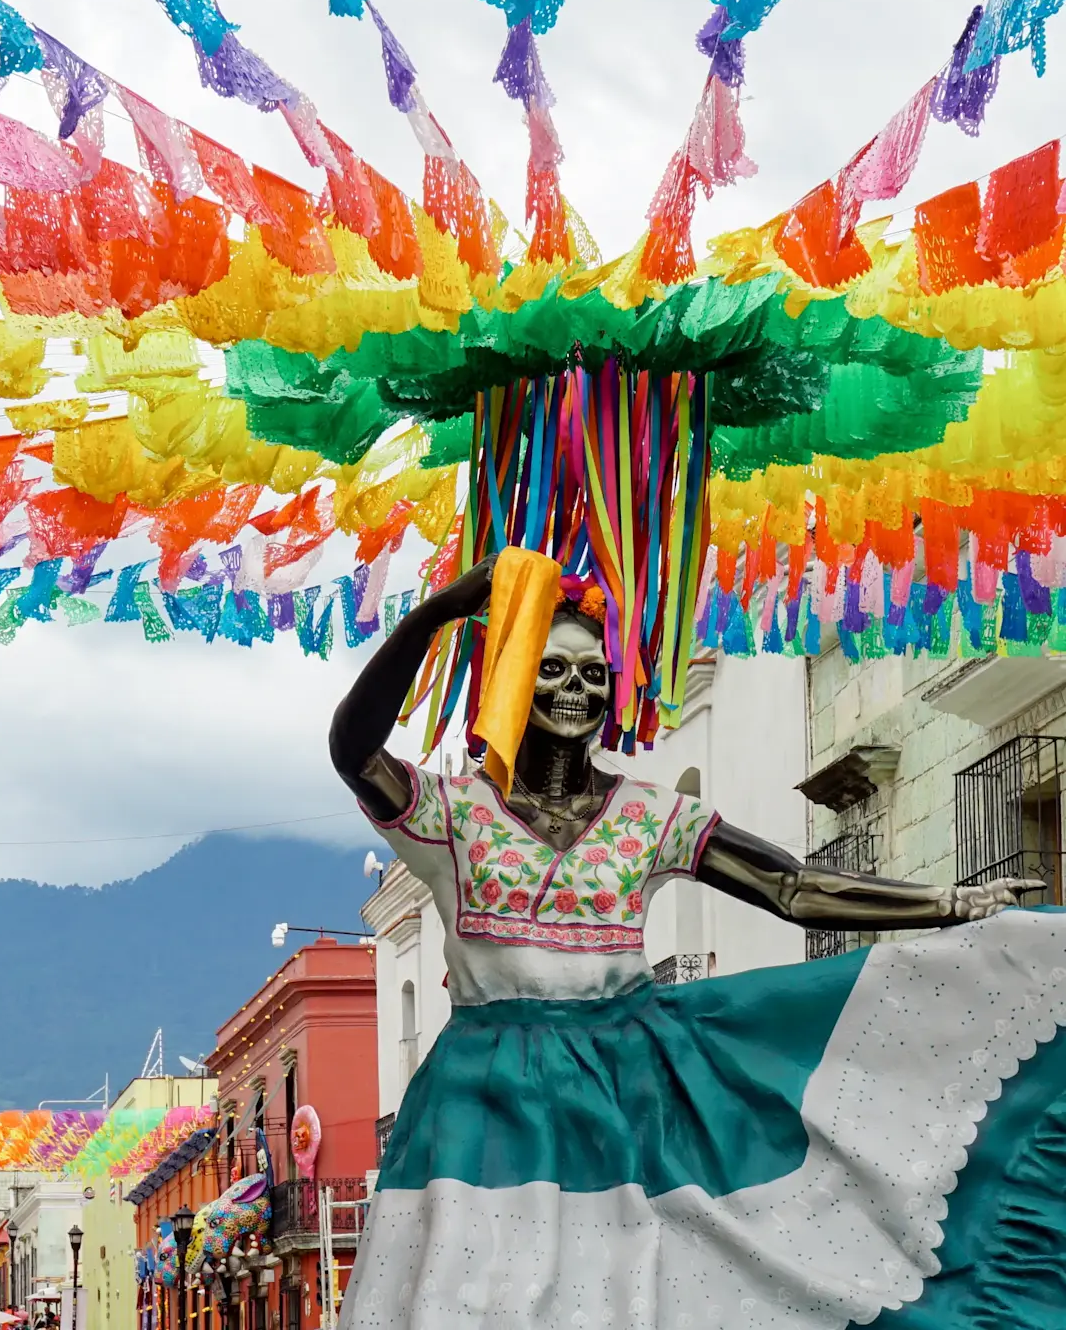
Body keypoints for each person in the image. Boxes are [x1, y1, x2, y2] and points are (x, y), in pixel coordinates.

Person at [330, 551, 1064, 1329]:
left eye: (593, 672)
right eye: (550, 668)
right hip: (484, 1097)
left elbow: (791, 887)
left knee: (632, 1290)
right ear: (508, 677)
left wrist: (952, 902)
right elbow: (353, 749)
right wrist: (438, 611)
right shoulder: (451, 815)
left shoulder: (652, 817)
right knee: (471, 1296)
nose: (574, 689)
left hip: (626, 1093)